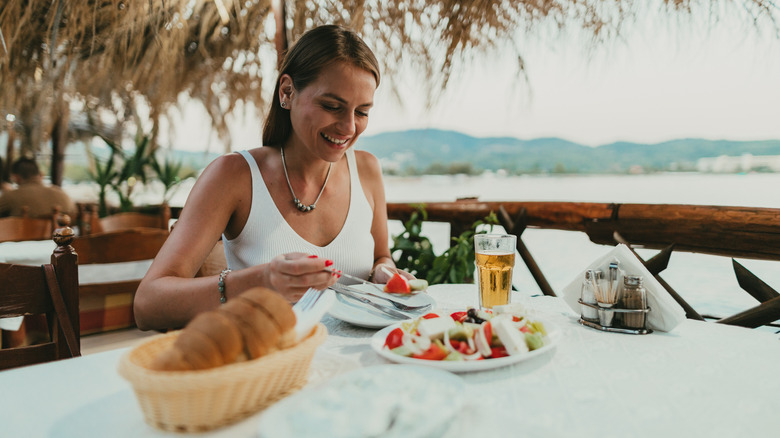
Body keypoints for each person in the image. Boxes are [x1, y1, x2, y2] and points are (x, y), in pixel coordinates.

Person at [134, 25, 414, 331]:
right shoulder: (234, 175)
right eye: (331, 106)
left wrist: (385, 272)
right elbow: (148, 304)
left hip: (359, 365)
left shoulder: (368, 170)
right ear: (287, 92)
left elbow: (380, 258)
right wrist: (261, 281)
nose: (348, 127)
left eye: (362, 112)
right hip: (267, 369)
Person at [0, 157, 76, 219]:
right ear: (40, 174)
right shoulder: (62, 193)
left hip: (26, 237)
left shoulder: (10, 196)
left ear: (15, 177)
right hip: (63, 237)